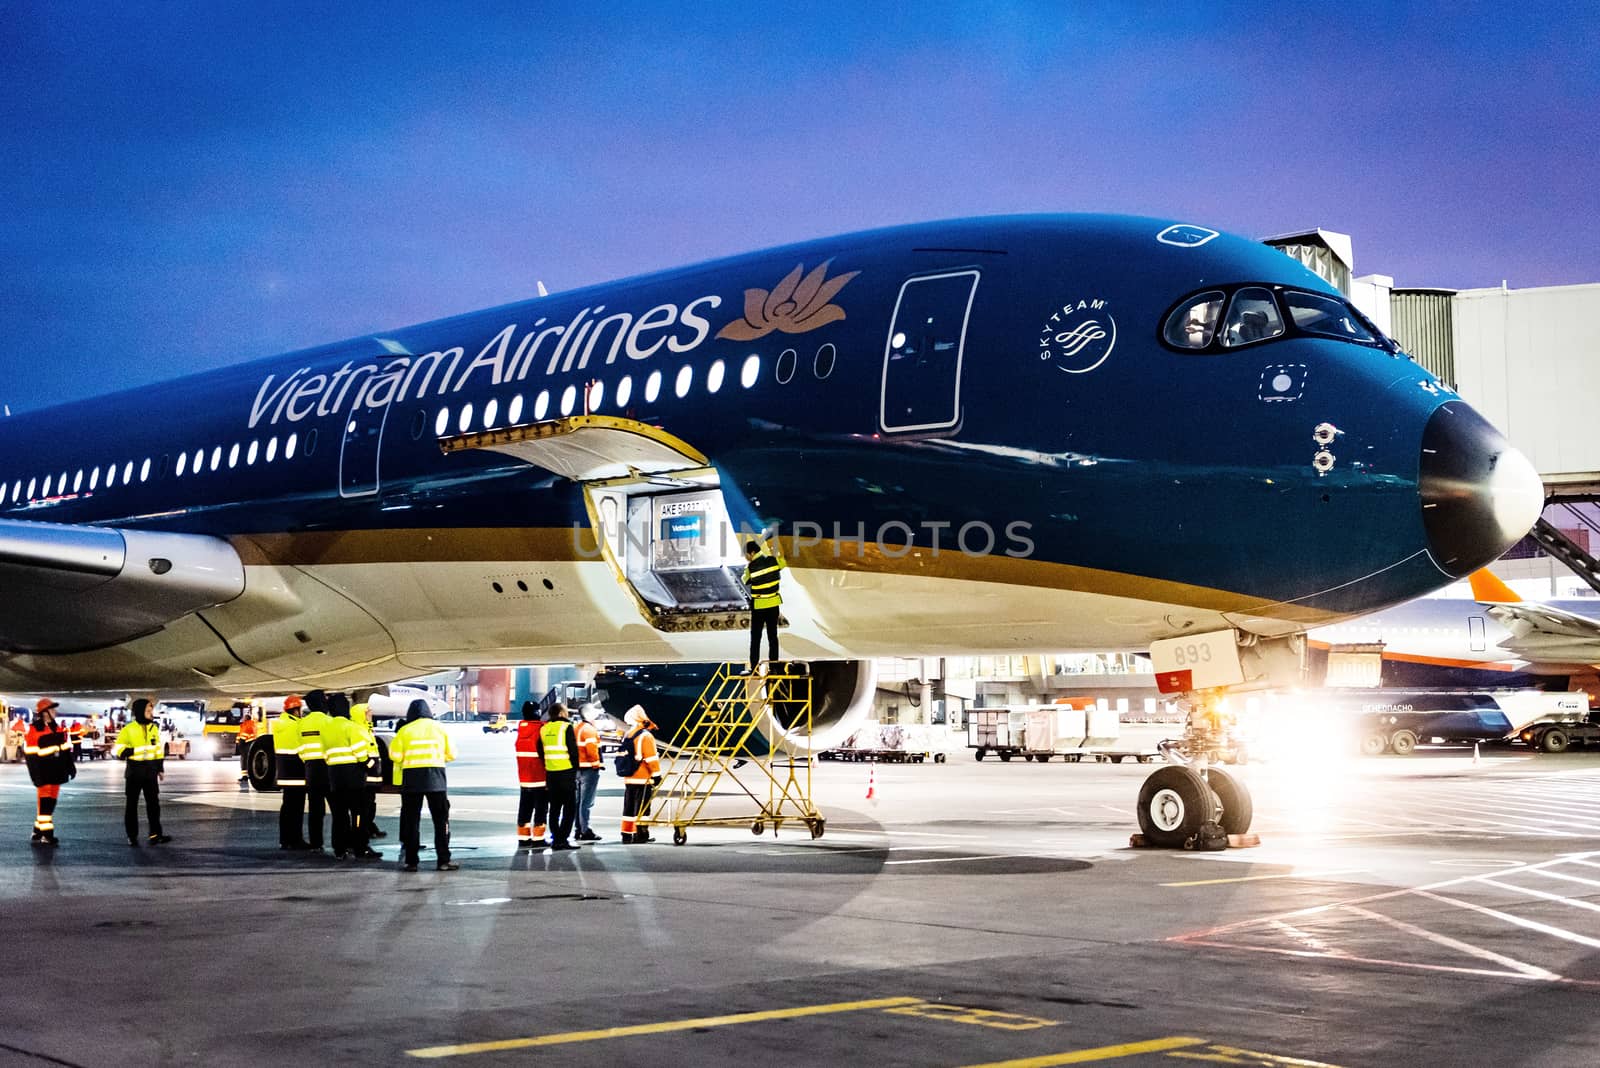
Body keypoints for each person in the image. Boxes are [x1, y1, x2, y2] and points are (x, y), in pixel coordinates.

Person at [389, 698, 457, 872]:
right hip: (436, 779)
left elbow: (394, 755)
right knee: (441, 821)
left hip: (412, 778)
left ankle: (411, 861)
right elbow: (452, 755)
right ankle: (443, 860)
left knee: (412, 821)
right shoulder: (440, 728)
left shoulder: (405, 730)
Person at [113, 698, 170, 846]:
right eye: (148, 711)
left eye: (151, 711)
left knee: (154, 805)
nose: (151, 713)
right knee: (131, 806)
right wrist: (135, 751)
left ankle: (155, 834)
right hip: (134, 772)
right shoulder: (128, 729)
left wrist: (160, 768)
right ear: (140, 712)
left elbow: (158, 750)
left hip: (150, 772)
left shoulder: (154, 728)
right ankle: (132, 836)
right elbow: (118, 750)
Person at [321, 693, 371, 859]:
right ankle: (359, 847)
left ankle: (339, 849)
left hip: (334, 776)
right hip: (354, 777)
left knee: (339, 816)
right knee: (357, 814)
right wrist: (370, 765)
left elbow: (325, 755)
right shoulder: (351, 727)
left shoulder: (326, 729)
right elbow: (361, 753)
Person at [24, 698, 75, 845]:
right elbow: (31, 757)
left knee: (51, 803)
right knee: (45, 803)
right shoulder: (35, 730)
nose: (55, 712)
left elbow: (65, 750)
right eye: (52, 710)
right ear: (45, 713)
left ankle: (37, 830)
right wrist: (35, 777)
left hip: (57, 773)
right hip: (44, 774)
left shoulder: (58, 729)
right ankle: (47, 835)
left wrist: (71, 767)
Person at [742, 533, 787, 672]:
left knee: (756, 639)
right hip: (773, 605)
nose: (746, 557)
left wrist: (749, 565)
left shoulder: (751, 567)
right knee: (772, 638)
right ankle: (774, 667)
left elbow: (745, 580)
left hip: (759, 606)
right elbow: (783, 563)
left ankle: (753, 668)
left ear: (752, 553)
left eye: (746, 555)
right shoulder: (773, 561)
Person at [538, 703, 580, 851]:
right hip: (566, 772)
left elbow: (540, 751)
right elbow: (573, 750)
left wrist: (548, 763)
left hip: (551, 773)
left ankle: (556, 838)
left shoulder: (544, 728)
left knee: (554, 808)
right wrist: (576, 769)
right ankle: (563, 839)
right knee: (570, 809)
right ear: (562, 712)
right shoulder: (566, 727)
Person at [619, 705, 662, 844]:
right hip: (643, 778)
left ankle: (626, 835)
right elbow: (650, 758)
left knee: (628, 808)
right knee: (642, 808)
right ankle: (641, 835)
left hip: (629, 778)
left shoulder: (628, 735)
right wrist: (657, 775)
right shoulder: (646, 736)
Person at [273, 695, 310, 850]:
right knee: (296, 809)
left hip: (284, 773)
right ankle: (296, 840)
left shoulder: (279, 724)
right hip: (297, 773)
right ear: (296, 711)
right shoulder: (297, 726)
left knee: (287, 807)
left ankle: (285, 840)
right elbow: (303, 750)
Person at [298, 690, 332, 853]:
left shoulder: (302, 723)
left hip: (311, 769)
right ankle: (342, 843)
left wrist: (308, 760)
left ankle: (316, 843)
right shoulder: (328, 721)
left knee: (315, 810)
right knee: (338, 809)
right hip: (328, 768)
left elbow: (300, 748)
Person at [514, 701, 548, 850]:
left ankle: (523, 838)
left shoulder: (521, 729)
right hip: (539, 777)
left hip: (524, 778)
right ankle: (538, 838)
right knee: (541, 809)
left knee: (524, 809)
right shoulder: (541, 729)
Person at [350, 698, 386, 841]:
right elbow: (360, 753)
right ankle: (361, 837)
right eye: (368, 712)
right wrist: (371, 765)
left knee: (370, 806)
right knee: (363, 808)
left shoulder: (367, 729)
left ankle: (368, 829)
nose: (371, 714)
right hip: (365, 777)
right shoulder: (359, 730)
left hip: (372, 778)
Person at [574, 709, 603, 842]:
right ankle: (585, 830)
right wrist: (596, 764)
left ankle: (578, 829)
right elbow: (592, 750)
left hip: (577, 769)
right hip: (588, 769)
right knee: (586, 803)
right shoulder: (589, 730)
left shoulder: (577, 728)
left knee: (579, 801)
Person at [236, 708, 258, 786]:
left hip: (245, 746)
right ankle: (247, 776)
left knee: (244, 762)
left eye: (244, 717)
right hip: (250, 745)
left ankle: (245, 777)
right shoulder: (253, 724)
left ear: (246, 719)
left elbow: (243, 736)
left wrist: (239, 746)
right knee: (248, 761)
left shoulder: (246, 725)